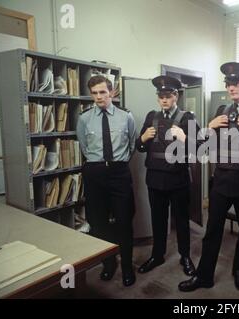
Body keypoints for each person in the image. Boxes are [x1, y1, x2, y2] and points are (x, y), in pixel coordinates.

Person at [179, 62, 239, 292]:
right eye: (228, 84)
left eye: (235, 83)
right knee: (212, 231)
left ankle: (238, 270)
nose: (231, 88)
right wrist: (210, 126)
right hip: (222, 180)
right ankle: (204, 276)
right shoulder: (221, 111)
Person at [136, 75, 200, 276]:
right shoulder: (151, 117)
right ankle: (157, 255)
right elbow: (140, 147)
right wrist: (143, 138)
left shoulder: (187, 118)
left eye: (168, 95)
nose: (164, 99)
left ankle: (185, 256)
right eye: (160, 96)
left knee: (181, 220)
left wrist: (184, 137)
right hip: (155, 178)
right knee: (158, 219)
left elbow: (199, 149)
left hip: (178, 178)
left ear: (176, 96)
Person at [76, 75, 136, 287]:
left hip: (119, 173)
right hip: (95, 173)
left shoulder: (126, 116)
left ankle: (128, 266)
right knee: (99, 223)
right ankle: (108, 265)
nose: (99, 97)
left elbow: (131, 146)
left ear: (111, 92)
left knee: (124, 221)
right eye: (95, 93)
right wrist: (99, 164)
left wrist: (117, 163)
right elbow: (84, 146)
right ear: (91, 94)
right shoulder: (84, 118)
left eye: (103, 92)